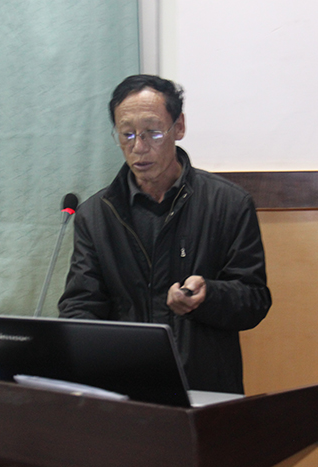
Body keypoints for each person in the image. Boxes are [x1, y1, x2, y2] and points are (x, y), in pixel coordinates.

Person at [58, 75, 271, 394]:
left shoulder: (229, 203)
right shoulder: (95, 214)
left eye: (153, 133)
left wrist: (209, 296)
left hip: (203, 388)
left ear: (179, 127)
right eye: (127, 134)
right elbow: (80, 305)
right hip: (125, 390)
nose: (139, 147)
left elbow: (255, 299)